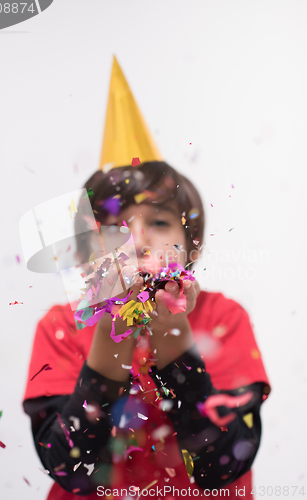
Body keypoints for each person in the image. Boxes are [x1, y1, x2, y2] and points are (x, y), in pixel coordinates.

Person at [23, 160, 271, 500]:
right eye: (112, 227)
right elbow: (71, 472)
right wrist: (111, 334)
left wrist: (175, 339)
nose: (137, 241)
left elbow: (221, 468)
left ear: (193, 246)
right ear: (84, 253)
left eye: (158, 221)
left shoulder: (223, 319)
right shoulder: (61, 326)